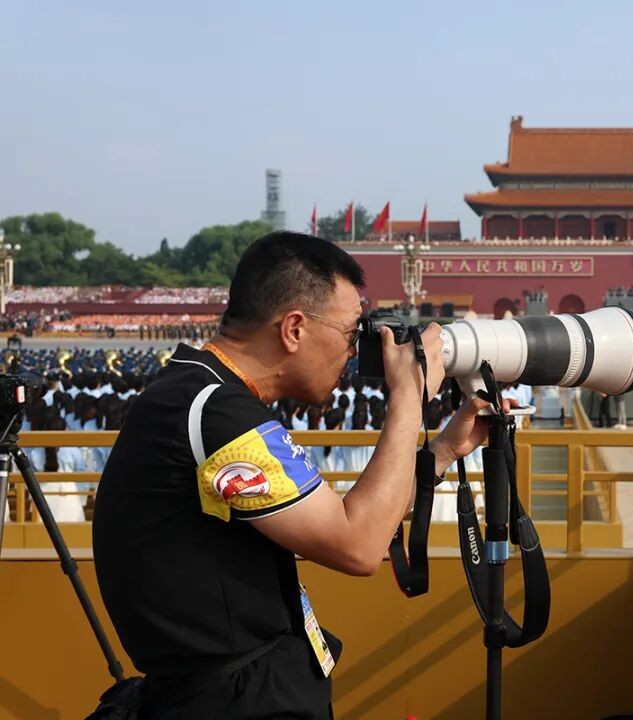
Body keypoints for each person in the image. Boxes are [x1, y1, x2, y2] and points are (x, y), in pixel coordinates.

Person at [92, 232, 501, 718]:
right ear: (293, 329)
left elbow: (344, 516)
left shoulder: (202, 396)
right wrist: (408, 396)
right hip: (235, 703)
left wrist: (443, 450)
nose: (355, 352)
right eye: (352, 333)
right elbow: (359, 545)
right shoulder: (214, 413)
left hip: (236, 692)